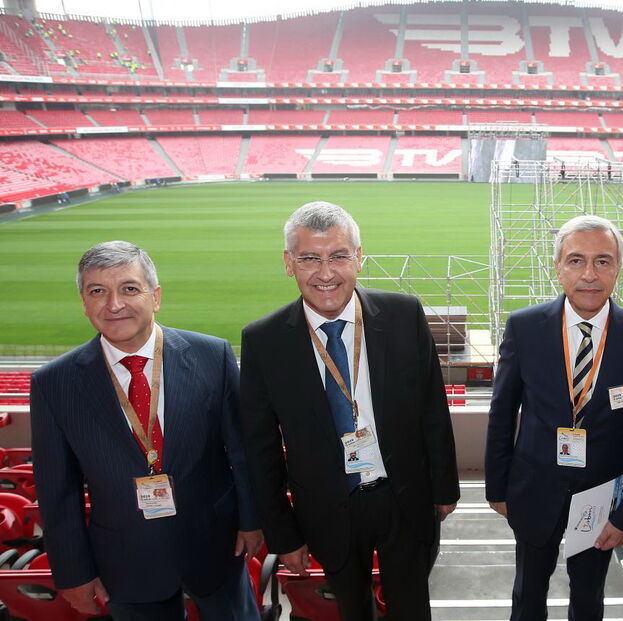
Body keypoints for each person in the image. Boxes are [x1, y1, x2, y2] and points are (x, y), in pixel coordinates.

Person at [239, 201, 459, 620]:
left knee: (413, 610)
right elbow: (260, 450)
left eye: (339, 256)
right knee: (351, 613)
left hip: (404, 498)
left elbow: (433, 408)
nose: (326, 273)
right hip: (327, 511)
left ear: (359, 257)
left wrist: (445, 488)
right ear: (289, 263)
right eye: (310, 259)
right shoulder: (264, 341)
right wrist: (283, 534)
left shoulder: (404, 314)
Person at [30, 241, 262, 621]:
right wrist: (73, 572)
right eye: (97, 292)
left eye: (129, 288)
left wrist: (252, 520)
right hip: (125, 560)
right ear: (84, 303)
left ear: (156, 297)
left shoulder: (213, 356)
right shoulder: (53, 384)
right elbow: (57, 489)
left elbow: (242, 451)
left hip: (217, 548)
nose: (114, 304)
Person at [485, 215, 623, 620]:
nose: (589, 274)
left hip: (602, 499)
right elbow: (502, 413)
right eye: (576, 260)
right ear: (558, 267)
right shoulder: (524, 327)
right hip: (533, 491)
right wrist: (497, 488)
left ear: (619, 267)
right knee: (527, 594)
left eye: (603, 261)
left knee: (588, 599)